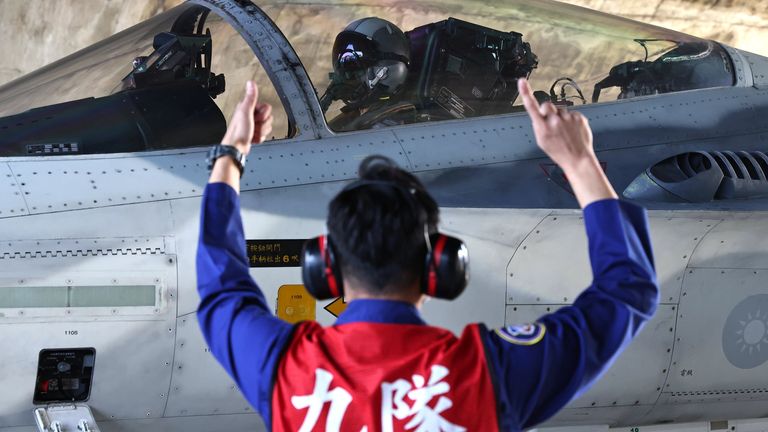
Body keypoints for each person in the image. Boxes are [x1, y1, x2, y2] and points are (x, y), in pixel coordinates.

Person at [196, 79, 658, 431]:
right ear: (439, 264)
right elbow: (626, 293)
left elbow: (221, 287)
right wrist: (580, 161)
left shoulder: (284, 370)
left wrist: (231, 155)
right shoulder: (488, 375)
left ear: (325, 267)